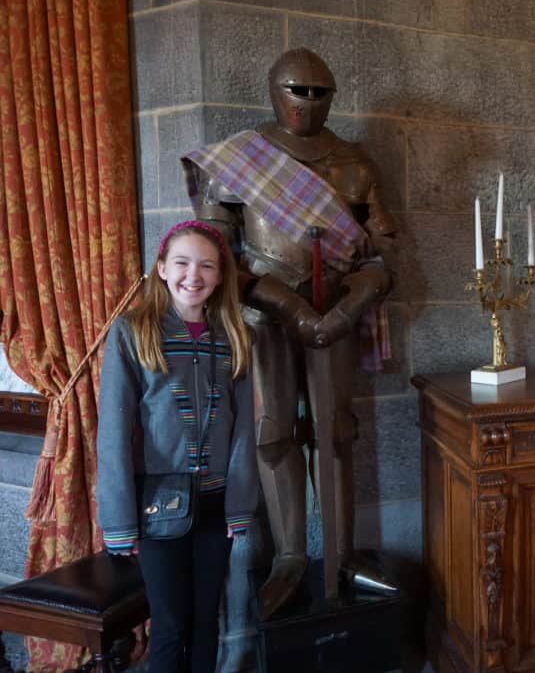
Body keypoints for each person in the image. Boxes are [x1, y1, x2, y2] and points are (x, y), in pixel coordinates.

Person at [180, 47, 397, 617]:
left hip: (337, 313)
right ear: (274, 90)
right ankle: (290, 558)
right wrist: (286, 304)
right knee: (273, 433)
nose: (307, 102)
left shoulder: (354, 162)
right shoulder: (237, 161)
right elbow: (216, 252)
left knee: (337, 432)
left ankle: (343, 555)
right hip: (264, 315)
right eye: (297, 90)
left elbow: (384, 248)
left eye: (318, 92)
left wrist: (348, 306)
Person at [96, 220, 256, 673]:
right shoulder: (132, 331)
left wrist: (238, 507)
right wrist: (119, 520)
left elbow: (244, 427)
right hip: (155, 507)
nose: (194, 275)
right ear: (162, 269)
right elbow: (113, 429)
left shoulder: (235, 336)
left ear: (221, 276)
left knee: (208, 620)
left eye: (207, 265)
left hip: (216, 505)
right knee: (170, 625)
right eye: (182, 263)